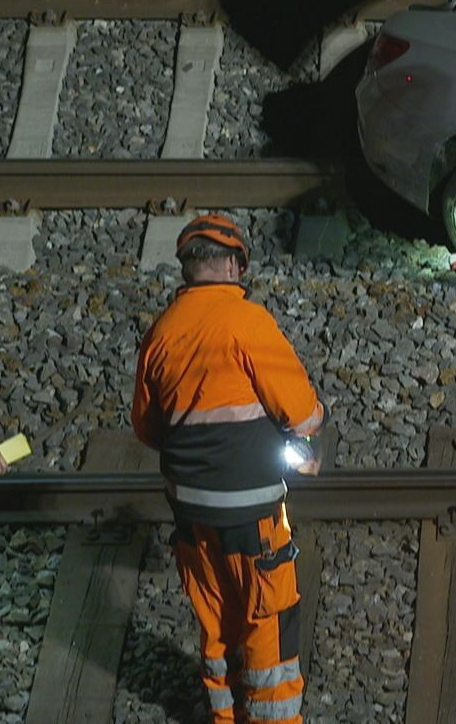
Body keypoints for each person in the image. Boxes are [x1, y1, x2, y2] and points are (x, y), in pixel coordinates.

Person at [133, 213, 324, 724]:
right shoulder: (247, 322)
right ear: (237, 266)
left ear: (188, 270)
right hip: (251, 511)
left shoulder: (161, 333)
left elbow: (147, 428)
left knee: (215, 617)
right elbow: (302, 412)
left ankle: (224, 716)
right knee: (268, 619)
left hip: (190, 513)